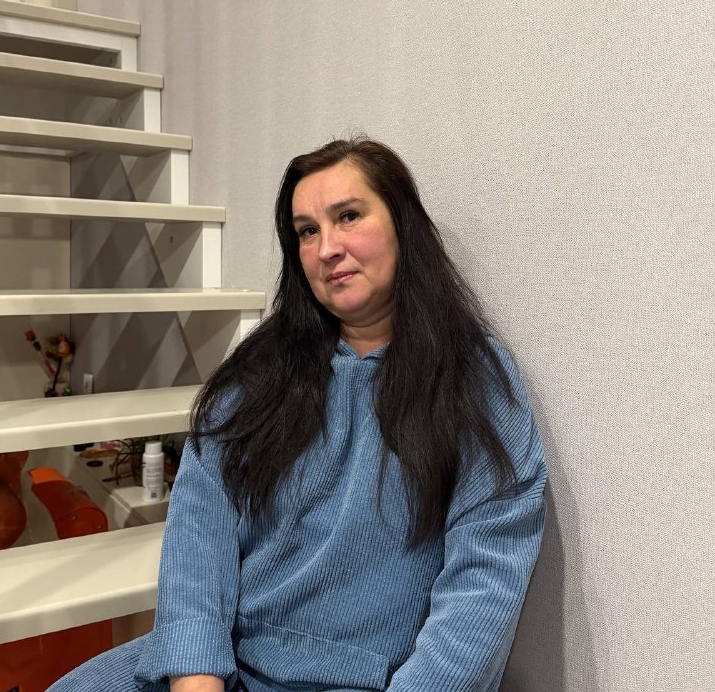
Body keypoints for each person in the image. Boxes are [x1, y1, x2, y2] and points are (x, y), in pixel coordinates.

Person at [49, 138, 547, 692]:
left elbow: (486, 581)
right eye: (307, 231)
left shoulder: (474, 379)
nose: (327, 248)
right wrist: (196, 674)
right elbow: (199, 531)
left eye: (348, 216)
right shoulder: (259, 371)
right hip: (222, 662)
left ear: (403, 225)